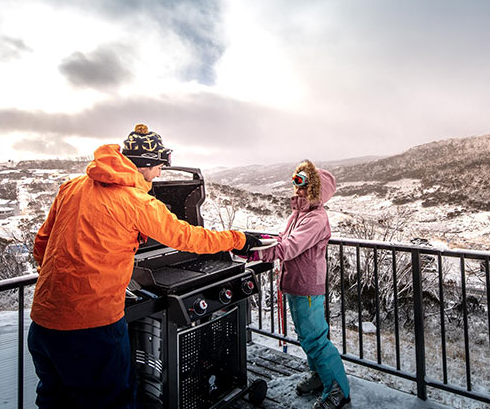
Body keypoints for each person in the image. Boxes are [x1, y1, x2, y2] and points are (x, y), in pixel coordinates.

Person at [27, 123, 260, 409]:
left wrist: (68, 285)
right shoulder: (136, 202)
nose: (161, 172)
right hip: (92, 328)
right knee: (113, 402)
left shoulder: (72, 187)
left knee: (54, 400)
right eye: (159, 166)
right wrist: (237, 239)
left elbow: (42, 244)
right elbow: (188, 237)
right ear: (147, 165)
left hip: (44, 323)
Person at [253, 160, 350, 409]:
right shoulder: (298, 215)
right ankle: (320, 377)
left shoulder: (316, 218)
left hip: (307, 287)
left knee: (316, 339)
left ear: (316, 191)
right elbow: (285, 240)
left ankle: (338, 391)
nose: (298, 189)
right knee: (307, 338)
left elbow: (291, 246)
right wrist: (260, 241)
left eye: (304, 186)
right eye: (297, 183)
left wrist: (257, 253)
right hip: (295, 283)